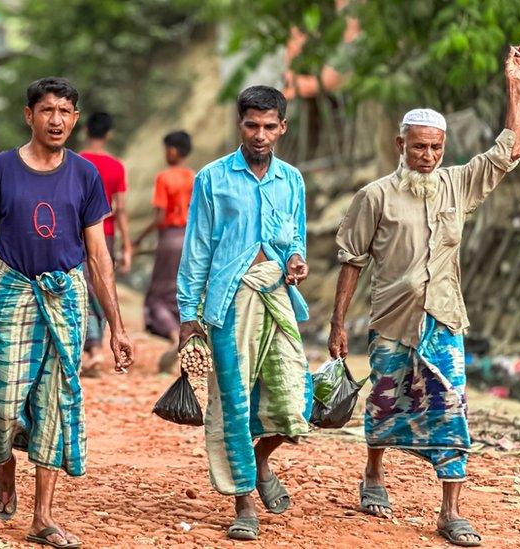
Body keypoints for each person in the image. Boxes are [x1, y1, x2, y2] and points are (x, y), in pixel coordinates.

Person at [329, 45, 520, 547]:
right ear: (401, 144)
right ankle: (373, 474)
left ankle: (450, 510)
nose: (427, 156)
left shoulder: (459, 184)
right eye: (419, 147)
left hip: (443, 319)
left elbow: (511, 149)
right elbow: (351, 260)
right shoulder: (374, 196)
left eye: (435, 148)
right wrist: (337, 324)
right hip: (390, 321)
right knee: (384, 402)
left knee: (451, 408)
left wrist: (514, 84)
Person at [0, 77, 133, 549]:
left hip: (66, 298)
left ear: (75, 118)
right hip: (13, 292)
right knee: (4, 401)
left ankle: (43, 518)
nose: (57, 120)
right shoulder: (1, 169)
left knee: (56, 401)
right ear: (29, 115)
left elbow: (98, 257)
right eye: (47, 110)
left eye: (66, 112)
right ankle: (4, 459)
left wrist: (116, 327)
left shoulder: (86, 175)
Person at [177, 86, 311, 542]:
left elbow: (297, 238)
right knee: (234, 402)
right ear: (240, 125)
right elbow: (197, 249)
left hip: (278, 297)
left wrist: (296, 260)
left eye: (270, 126)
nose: (260, 134)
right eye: (252, 125)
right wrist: (187, 315)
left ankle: (260, 460)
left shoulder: (292, 179)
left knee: (297, 402)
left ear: (282, 128)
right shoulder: (212, 178)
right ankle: (244, 502)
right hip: (228, 304)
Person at [133, 131, 195, 373]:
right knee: (180, 292)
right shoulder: (194, 177)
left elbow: (159, 217)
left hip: (169, 240)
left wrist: (138, 239)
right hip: (190, 242)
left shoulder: (165, 178)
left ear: (172, 150)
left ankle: (173, 337)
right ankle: (185, 333)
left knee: (158, 296)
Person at [79, 112, 133, 376]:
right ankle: (94, 347)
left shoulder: (75, 161)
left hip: (77, 235)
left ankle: (93, 349)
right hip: (106, 235)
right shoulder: (116, 166)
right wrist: (127, 245)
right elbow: (120, 209)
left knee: (84, 289)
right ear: (109, 133)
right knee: (101, 288)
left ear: (85, 128)